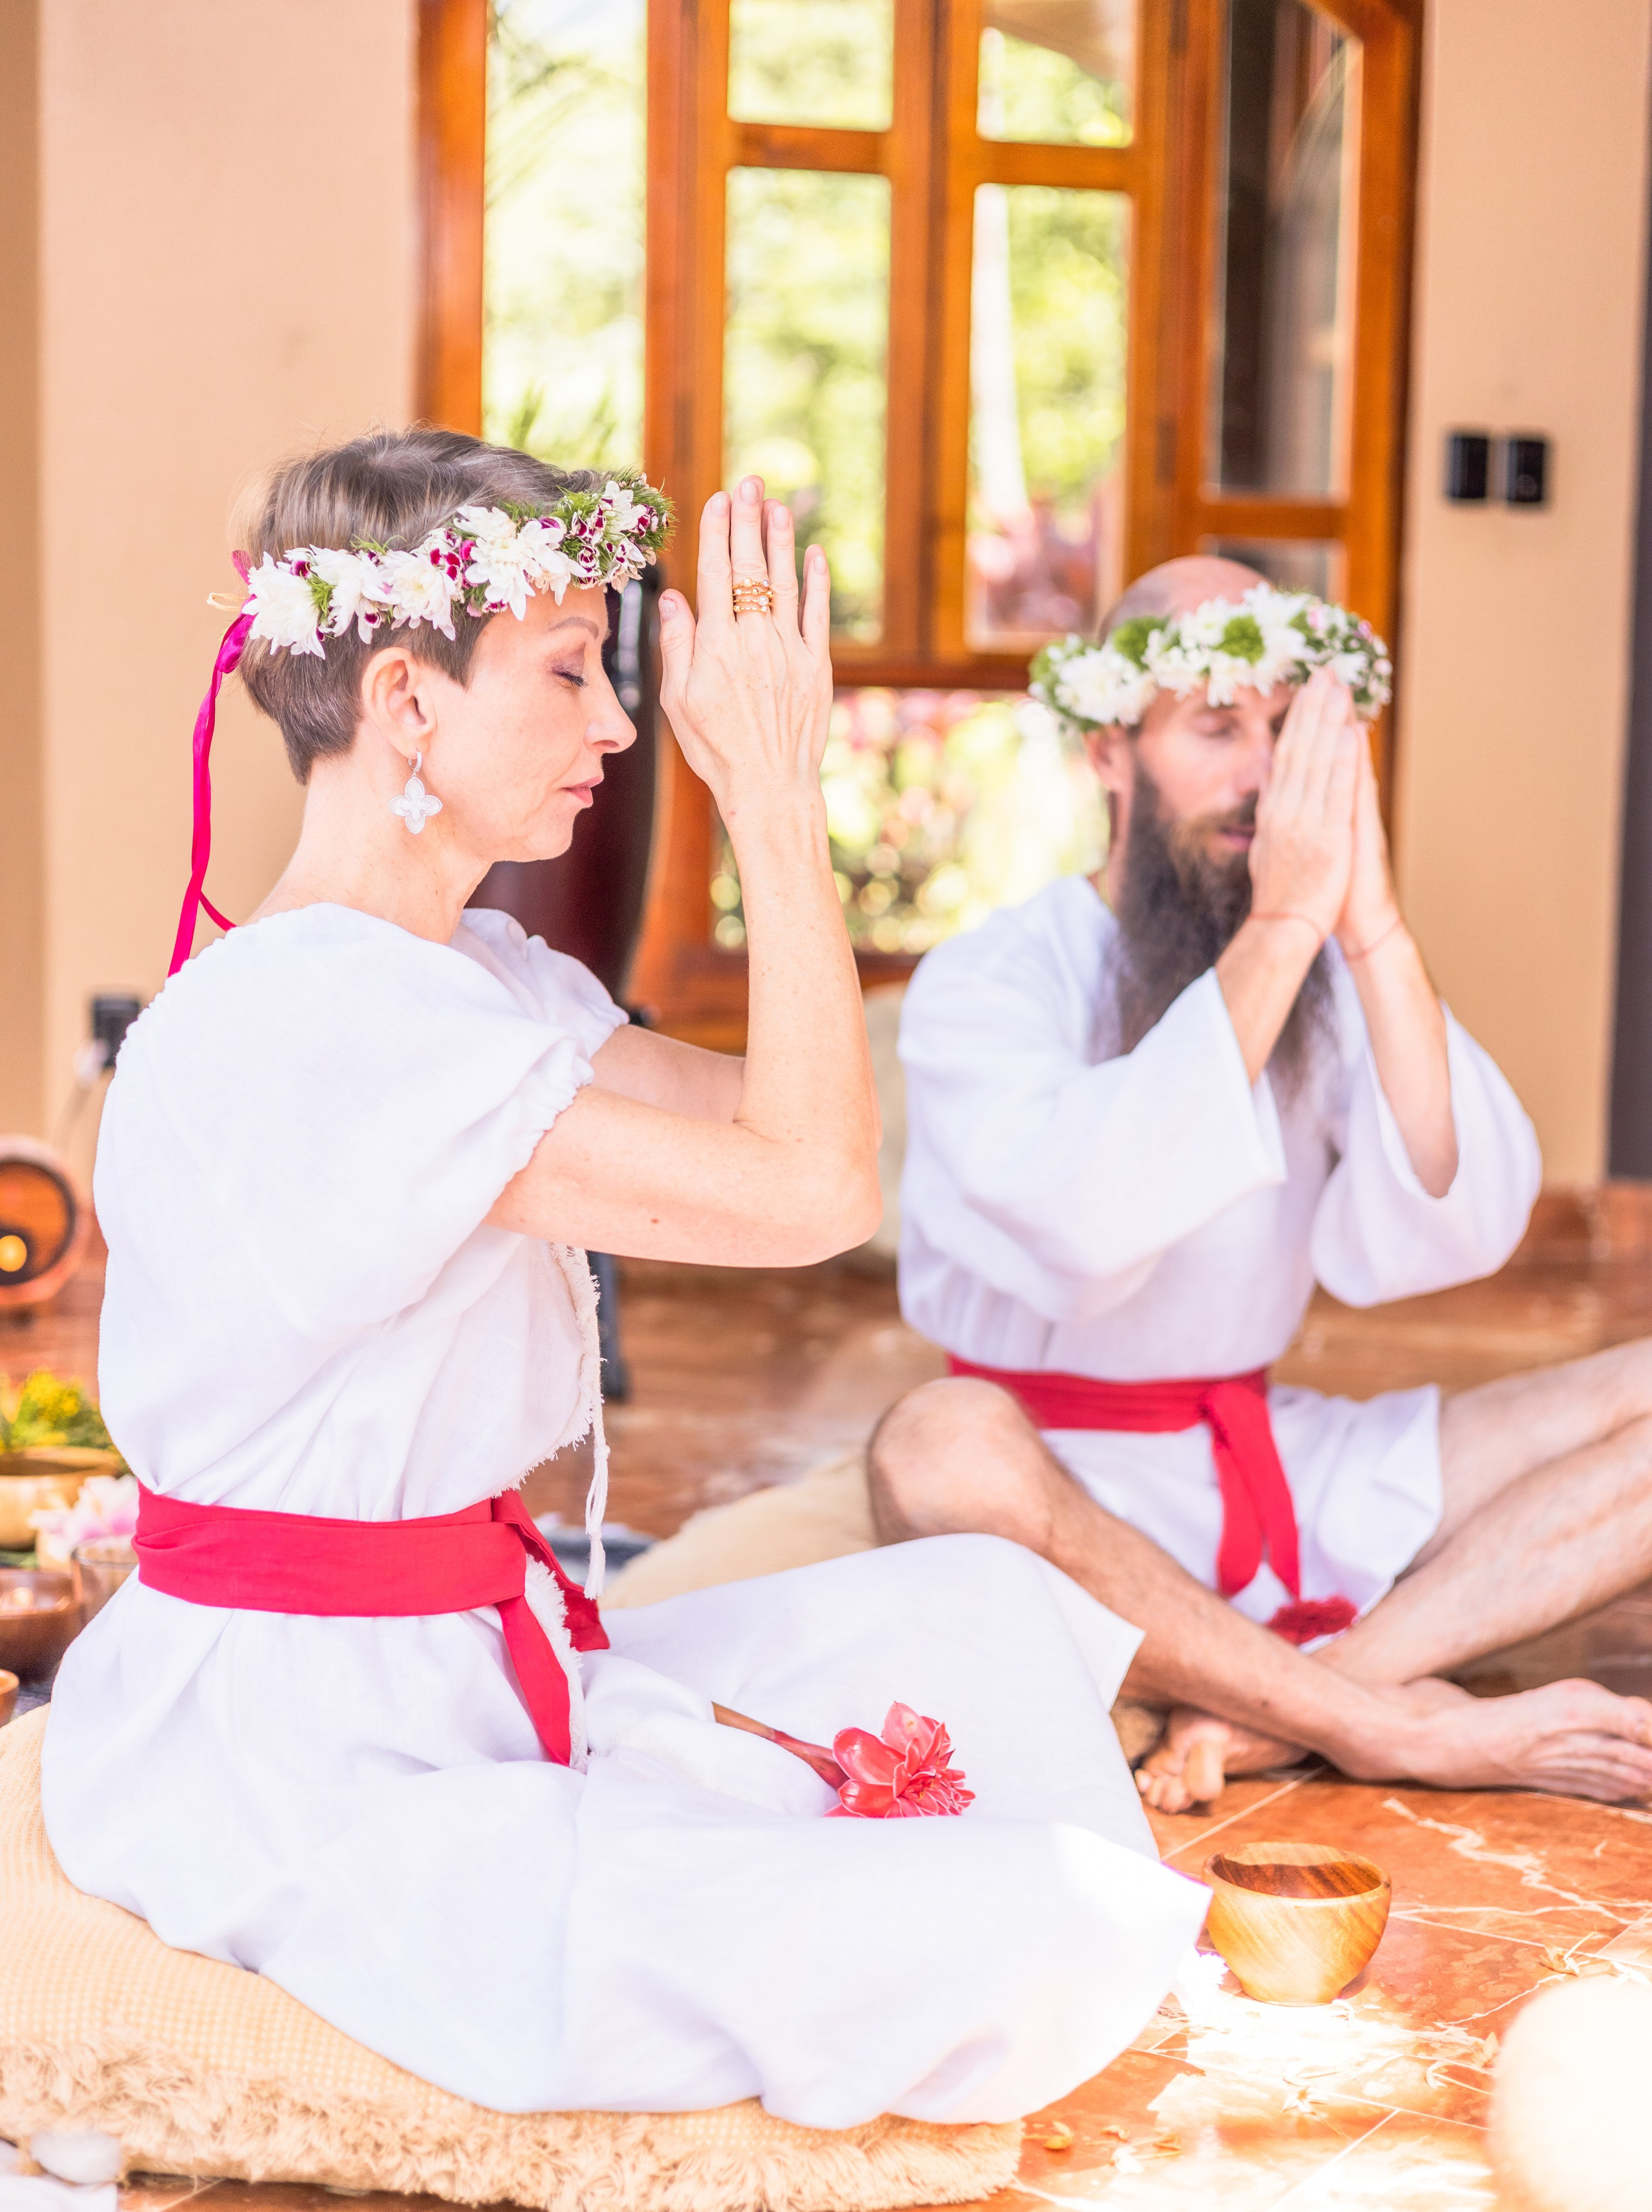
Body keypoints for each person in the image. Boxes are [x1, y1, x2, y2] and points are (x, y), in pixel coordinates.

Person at [40, 431, 1208, 2128]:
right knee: (1014, 1920)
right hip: (301, 1743)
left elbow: (784, 1125)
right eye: (574, 668)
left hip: (455, 1648)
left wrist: (770, 800)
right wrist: (773, 800)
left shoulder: (470, 973)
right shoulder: (325, 1022)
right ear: (404, 700)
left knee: (984, 1620)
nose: (615, 722)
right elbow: (813, 1189)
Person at [872, 554, 1652, 1814]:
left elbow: (1453, 1216)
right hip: (1059, 1483)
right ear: (1108, 753)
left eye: (1287, 731)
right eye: (1217, 725)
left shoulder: (1322, 980)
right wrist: (1281, 928)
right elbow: (1081, 1222)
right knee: (934, 1444)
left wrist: (1370, 928)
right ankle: (1388, 1727)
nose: (1262, 775)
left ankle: (1315, 1694)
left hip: (1273, 1455)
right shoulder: (988, 980)